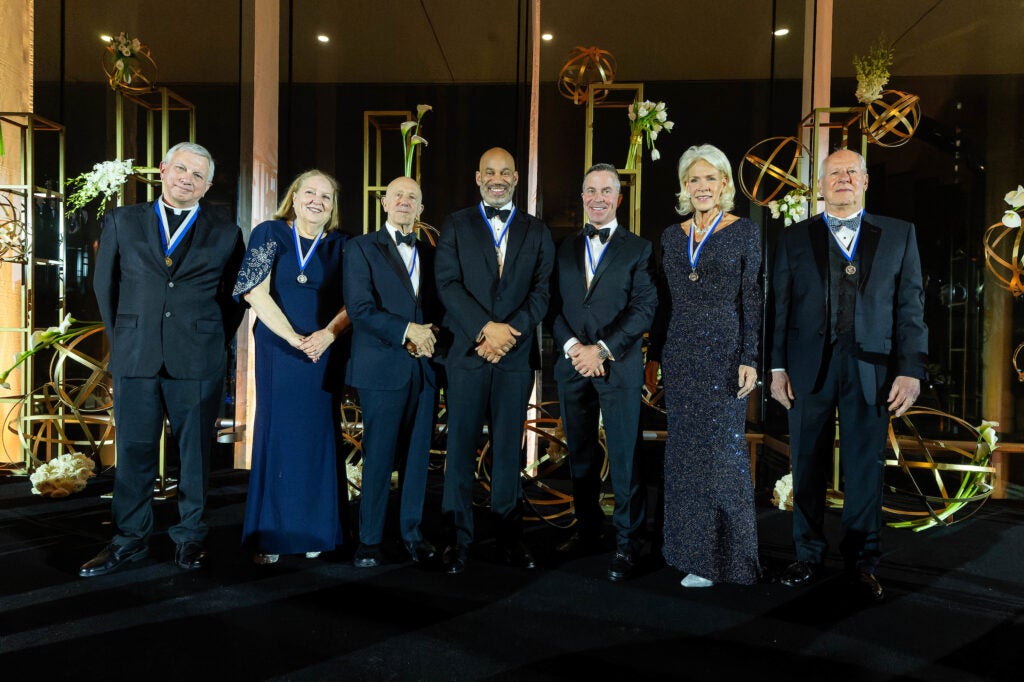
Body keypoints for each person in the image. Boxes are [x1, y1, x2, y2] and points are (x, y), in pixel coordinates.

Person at [769, 148, 927, 603]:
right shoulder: (795, 238)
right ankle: (807, 555)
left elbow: (911, 309)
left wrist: (911, 370)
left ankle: (862, 564)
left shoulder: (900, 235)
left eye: (851, 172)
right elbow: (778, 308)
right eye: (834, 173)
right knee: (807, 466)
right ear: (820, 185)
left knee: (864, 470)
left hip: (873, 369)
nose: (843, 178)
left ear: (864, 182)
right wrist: (776, 367)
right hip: (806, 370)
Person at [83, 141, 245, 577]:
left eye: (197, 175)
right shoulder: (122, 220)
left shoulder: (226, 230)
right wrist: (126, 338)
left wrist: (209, 339)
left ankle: (190, 536)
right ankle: (129, 540)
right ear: (162, 169)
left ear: (207, 185)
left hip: (198, 357)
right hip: (136, 355)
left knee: (194, 455)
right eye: (180, 169)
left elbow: (234, 299)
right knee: (133, 452)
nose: (186, 179)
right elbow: (106, 289)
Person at [645, 144, 762, 588]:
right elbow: (666, 301)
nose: (701, 187)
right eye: (694, 179)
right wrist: (655, 354)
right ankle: (688, 555)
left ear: (725, 185)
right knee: (684, 458)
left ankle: (730, 561)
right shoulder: (672, 237)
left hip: (724, 356)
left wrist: (749, 357)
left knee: (723, 457)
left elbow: (751, 297)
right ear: (683, 186)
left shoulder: (744, 232)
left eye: (710, 179)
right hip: (680, 354)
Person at [434, 147, 555, 574]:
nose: (497, 178)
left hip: (515, 357)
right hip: (468, 352)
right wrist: (485, 330)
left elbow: (542, 292)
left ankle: (508, 539)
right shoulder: (455, 224)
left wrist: (507, 334)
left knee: (508, 450)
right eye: (490, 171)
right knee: (460, 447)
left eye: (505, 172)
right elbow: (446, 284)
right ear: (477, 177)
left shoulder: (537, 231)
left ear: (517, 178)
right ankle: (457, 540)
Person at [233, 169, 350, 564]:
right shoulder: (269, 233)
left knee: (317, 438)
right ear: (294, 196)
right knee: (276, 435)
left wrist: (328, 335)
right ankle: (271, 534)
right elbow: (254, 291)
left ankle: (315, 530)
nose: (318, 201)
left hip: (324, 351)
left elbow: (357, 299)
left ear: (333, 206)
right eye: (310, 193)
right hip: (280, 350)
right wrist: (292, 338)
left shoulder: (342, 245)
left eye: (327, 196)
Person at [550, 163, 658, 582]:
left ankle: (629, 544)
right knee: (579, 456)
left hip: (618, 365)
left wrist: (604, 349)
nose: (598, 197)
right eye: (590, 190)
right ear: (582, 197)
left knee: (626, 459)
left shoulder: (639, 248)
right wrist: (576, 349)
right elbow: (552, 306)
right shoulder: (563, 247)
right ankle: (587, 531)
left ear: (618, 198)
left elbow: (644, 307)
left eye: (606, 190)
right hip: (573, 364)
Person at [344, 176, 442, 568]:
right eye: (398, 195)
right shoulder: (360, 248)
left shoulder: (432, 253)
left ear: (421, 208)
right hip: (382, 368)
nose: (405, 201)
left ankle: (412, 534)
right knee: (380, 457)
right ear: (384, 202)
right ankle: (368, 540)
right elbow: (359, 308)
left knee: (418, 459)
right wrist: (407, 331)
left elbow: (438, 309)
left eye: (413, 197)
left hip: (425, 369)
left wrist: (429, 335)